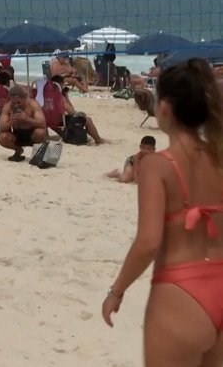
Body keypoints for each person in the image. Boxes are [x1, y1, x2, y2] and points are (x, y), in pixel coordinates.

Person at [102, 59, 223, 365]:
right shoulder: (218, 159)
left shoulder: (156, 165)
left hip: (180, 292)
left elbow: (148, 242)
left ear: (165, 108)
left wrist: (117, 291)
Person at [0, 85, 48, 162]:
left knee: (40, 132)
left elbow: (43, 123)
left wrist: (27, 119)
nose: (16, 105)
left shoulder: (33, 105)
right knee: (2, 137)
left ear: (25, 97)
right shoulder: (7, 107)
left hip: (32, 134)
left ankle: (38, 153)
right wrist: (11, 121)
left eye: (19, 102)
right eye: (13, 103)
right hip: (17, 134)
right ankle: (18, 150)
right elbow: (1, 127)